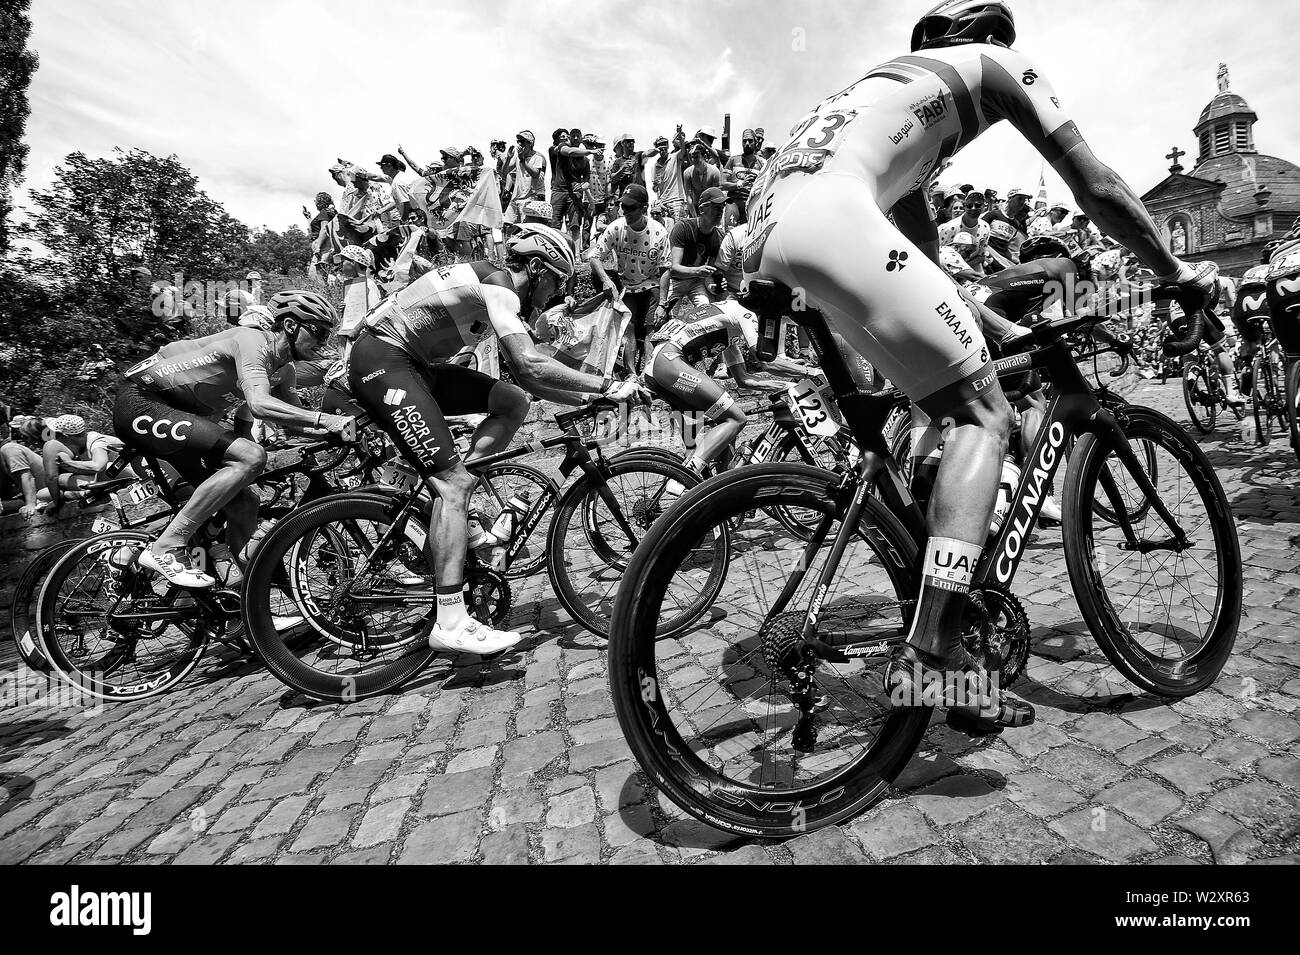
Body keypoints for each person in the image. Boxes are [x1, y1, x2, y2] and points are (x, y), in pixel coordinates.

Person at [742, 0, 1219, 732]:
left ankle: (948, 610)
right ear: (984, 36)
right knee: (983, 412)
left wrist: (989, 323)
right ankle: (931, 655)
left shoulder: (880, 102)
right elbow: (1098, 188)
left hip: (772, 225)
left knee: (940, 406)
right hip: (830, 220)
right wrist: (1175, 269)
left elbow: (926, 265)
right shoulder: (995, 62)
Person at [345, 224, 643, 656]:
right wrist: (606, 385)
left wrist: (585, 396)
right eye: (558, 281)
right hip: (383, 360)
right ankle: (450, 620)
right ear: (539, 269)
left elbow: (528, 381)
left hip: (412, 364)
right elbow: (531, 363)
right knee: (454, 484)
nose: (557, 294)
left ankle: (455, 507)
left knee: (510, 401)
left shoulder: (495, 292)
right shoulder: (498, 285)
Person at [113, 291, 352, 588]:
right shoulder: (252, 342)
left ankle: (243, 605)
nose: (323, 342)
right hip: (142, 401)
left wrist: (344, 429)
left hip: (180, 416)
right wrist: (325, 419)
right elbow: (260, 405)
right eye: (318, 331)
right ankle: (166, 546)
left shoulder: (284, 370)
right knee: (250, 456)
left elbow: (295, 421)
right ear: (290, 325)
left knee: (245, 504)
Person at [645, 299, 786, 474]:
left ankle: (708, 488)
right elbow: (766, 362)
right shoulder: (744, 313)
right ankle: (684, 477)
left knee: (718, 440)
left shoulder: (728, 329)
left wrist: (785, 385)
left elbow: (744, 379)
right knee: (736, 419)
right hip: (669, 362)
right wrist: (808, 373)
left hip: (660, 366)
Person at [588, 184, 671, 373]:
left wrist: (662, 304)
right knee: (628, 326)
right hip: (627, 285)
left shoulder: (659, 232)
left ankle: (649, 374)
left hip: (651, 284)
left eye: (630, 208)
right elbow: (594, 257)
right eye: (623, 207)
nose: (625, 212)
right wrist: (606, 280)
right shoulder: (616, 227)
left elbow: (666, 267)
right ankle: (631, 373)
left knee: (652, 329)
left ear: (644, 209)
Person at [42, 413, 129, 508]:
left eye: (56, 435)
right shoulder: (78, 446)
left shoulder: (96, 441)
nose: (55, 438)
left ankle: (81, 494)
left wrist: (69, 462)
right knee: (60, 480)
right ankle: (83, 493)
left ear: (66, 436)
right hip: (105, 477)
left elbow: (99, 466)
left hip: (125, 471)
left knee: (108, 467)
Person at [664, 185, 727, 316]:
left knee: (707, 313)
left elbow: (710, 272)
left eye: (722, 207)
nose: (720, 211)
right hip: (675, 281)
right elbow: (673, 268)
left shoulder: (720, 236)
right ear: (701, 209)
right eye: (715, 207)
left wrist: (712, 286)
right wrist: (698, 271)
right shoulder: (683, 227)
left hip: (697, 282)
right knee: (667, 318)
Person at [938, 188, 992, 276]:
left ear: (983, 207)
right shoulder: (949, 227)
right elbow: (935, 251)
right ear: (965, 206)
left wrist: (966, 270)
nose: (973, 208)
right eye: (969, 205)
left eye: (978, 205)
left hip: (972, 269)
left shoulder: (985, 227)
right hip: (947, 271)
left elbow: (981, 255)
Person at [984, 184, 1032, 268]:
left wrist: (1018, 261)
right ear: (1010, 199)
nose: (1022, 202)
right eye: (1019, 199)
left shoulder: (1016, 224)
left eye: (1024, 200)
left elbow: (1004, 249)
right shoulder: (994, 215)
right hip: (985, 256)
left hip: (1000, 260)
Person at [504, 131, 546, 224]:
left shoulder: (537, 158)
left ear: (530, 143)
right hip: (516, 198)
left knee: (527, 227)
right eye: (518, 141)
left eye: (522, 141)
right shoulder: (517, 157)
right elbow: (505, 172)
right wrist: (508, 158)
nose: (519, 144)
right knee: (507, 225)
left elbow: (535, 174)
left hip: (530, 199)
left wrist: (523, 160)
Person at [683, 141, 723, 216]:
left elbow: (716, 195)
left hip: (711, 208)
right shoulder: (687, 173)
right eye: (692, 157)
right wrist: (695, 217)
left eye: (697, 157)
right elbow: (688, 196)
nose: (694, 160)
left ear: (704, 157)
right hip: (695, 208)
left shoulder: (714, 172)